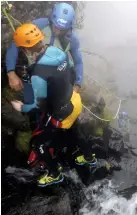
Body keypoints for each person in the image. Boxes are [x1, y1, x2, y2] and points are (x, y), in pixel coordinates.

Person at [10, 23, 95, 187]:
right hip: (75, 101)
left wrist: (20, 107)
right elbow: (71, 71)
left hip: (62, 112)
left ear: (26, 50)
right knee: (75, 131)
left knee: (38, 144)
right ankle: (89, 157)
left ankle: (55, 174)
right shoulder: (58, 52)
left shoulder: (38, 74)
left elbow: (38, 105)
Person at [6, 3, 83, 130]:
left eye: (62, 29)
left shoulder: (72, 40)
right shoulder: (39, 25)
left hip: (51, 80)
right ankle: (35, 124)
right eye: (55, 26)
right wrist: (11, 72)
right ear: (52, 19)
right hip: (35, 74)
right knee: (34, 106)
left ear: (69, 28)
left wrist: (77, 85)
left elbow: (78, 62)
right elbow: (16, 42)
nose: (57, 31)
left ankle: (43, 126)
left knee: (44, 108)